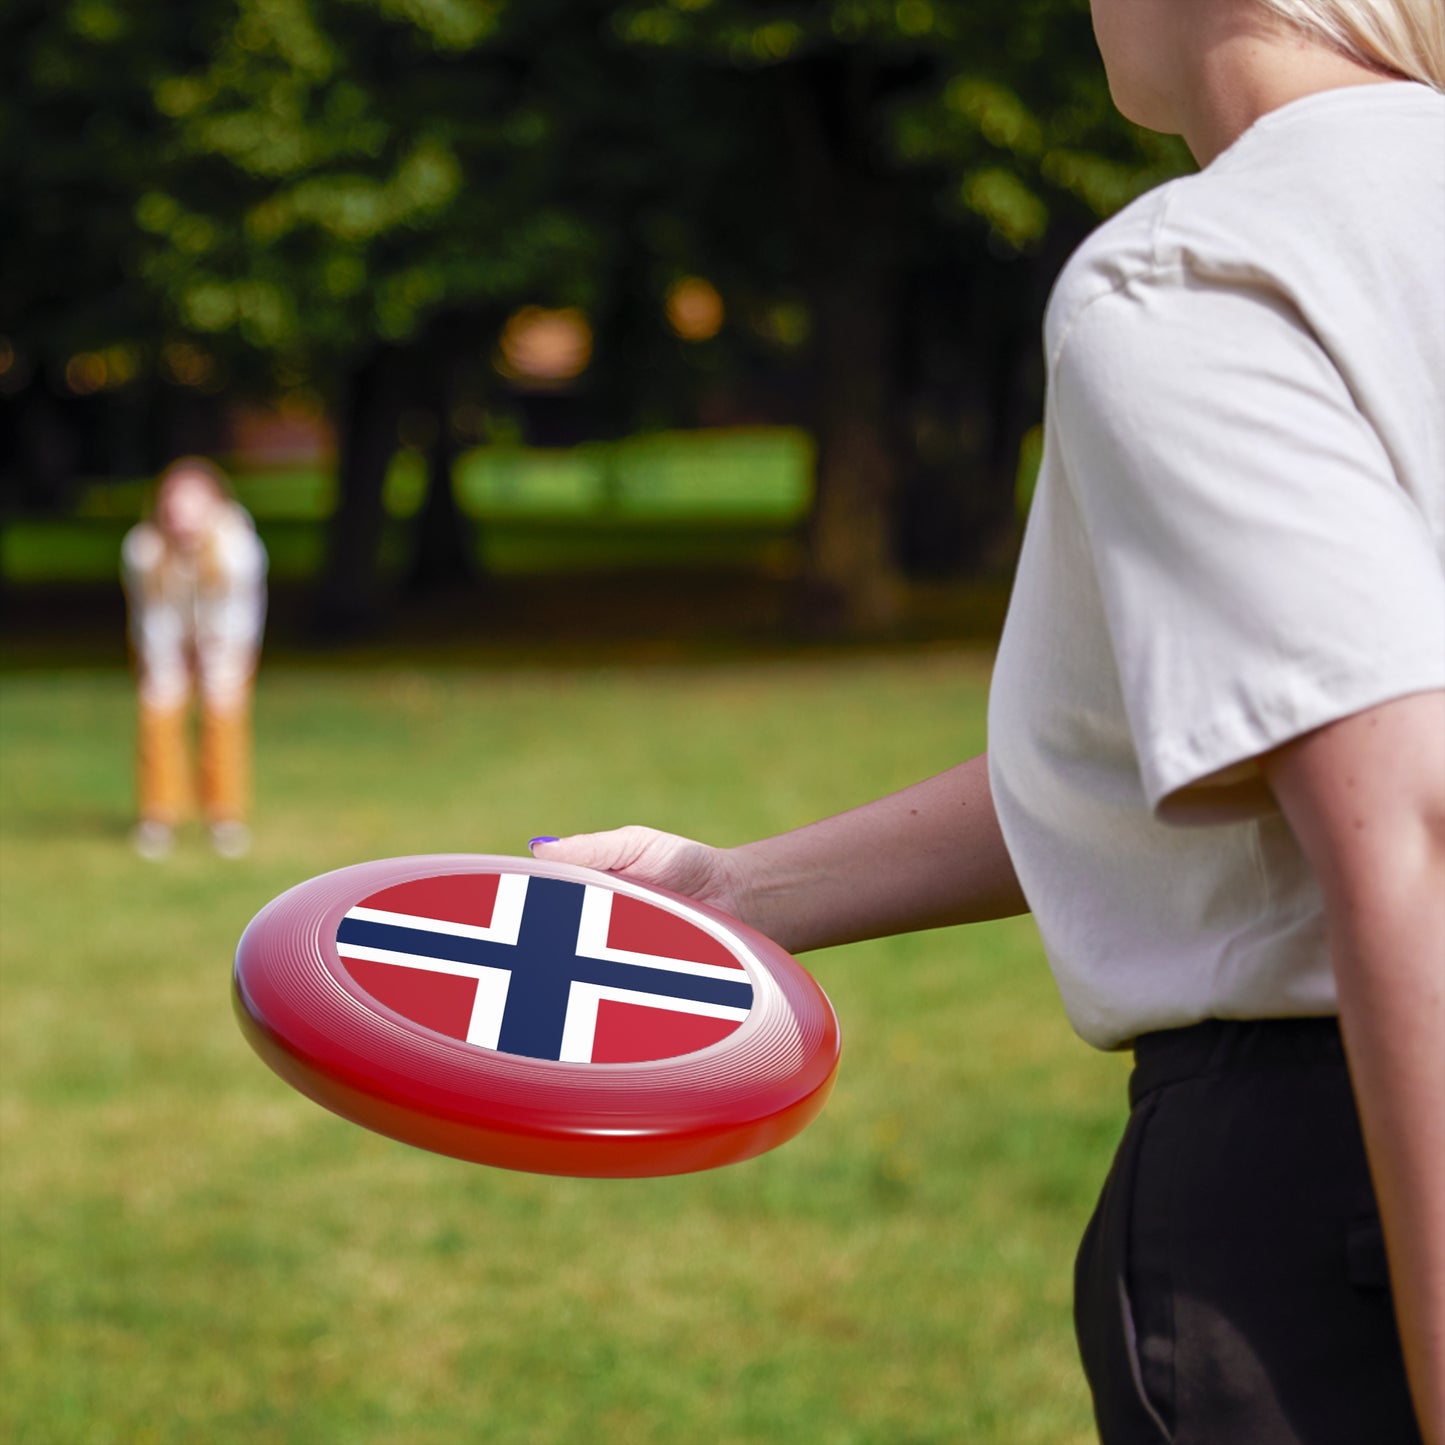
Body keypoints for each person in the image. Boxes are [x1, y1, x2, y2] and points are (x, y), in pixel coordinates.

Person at [529, 2, 1445, 1440]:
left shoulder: (1204, 270)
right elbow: (1217, 741)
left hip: (1342, 1192)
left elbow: (1408, 821)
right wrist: (736, 890)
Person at [121, 457, 268, 860]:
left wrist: (214, 659)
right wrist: (168, 664)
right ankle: (158, 816)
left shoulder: (239, 549)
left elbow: (239, 616)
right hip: (165, 640)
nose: (182, 517)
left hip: (226, 641)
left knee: (223, 717)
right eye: (174, 506)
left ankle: (225, 817)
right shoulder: (143, 549)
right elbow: (152, 616)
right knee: (158, 712)